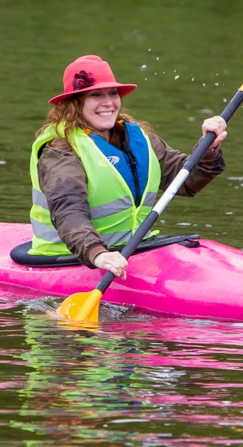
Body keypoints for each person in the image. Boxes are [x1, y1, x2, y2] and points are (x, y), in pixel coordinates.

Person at [29, 55, 227, 280]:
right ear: (74, 104)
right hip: (70, 256)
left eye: (113, 93)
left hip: (133, 250)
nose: (108, 103)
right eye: (96, 95)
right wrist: (98, 254)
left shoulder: (138, 139)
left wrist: (208, 147)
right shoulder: (61, 151)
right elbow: (68, 211)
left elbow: (187, 182)